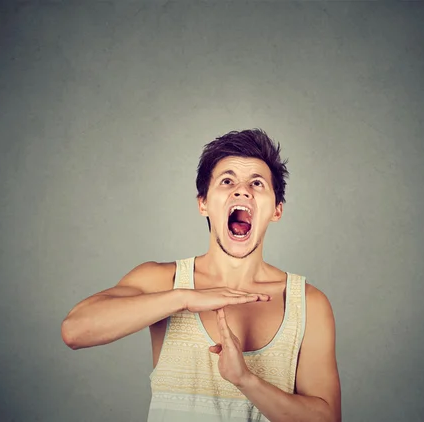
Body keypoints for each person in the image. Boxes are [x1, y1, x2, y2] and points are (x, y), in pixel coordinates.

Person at [61, 129, 341, 422]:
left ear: (276, 210)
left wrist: (247, 380)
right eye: (227, 181)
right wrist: (184, 298)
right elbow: (75, 330)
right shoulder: (163, 282)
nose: (242, 190)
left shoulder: (307, 303)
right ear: (203, 203)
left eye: (256, 183)